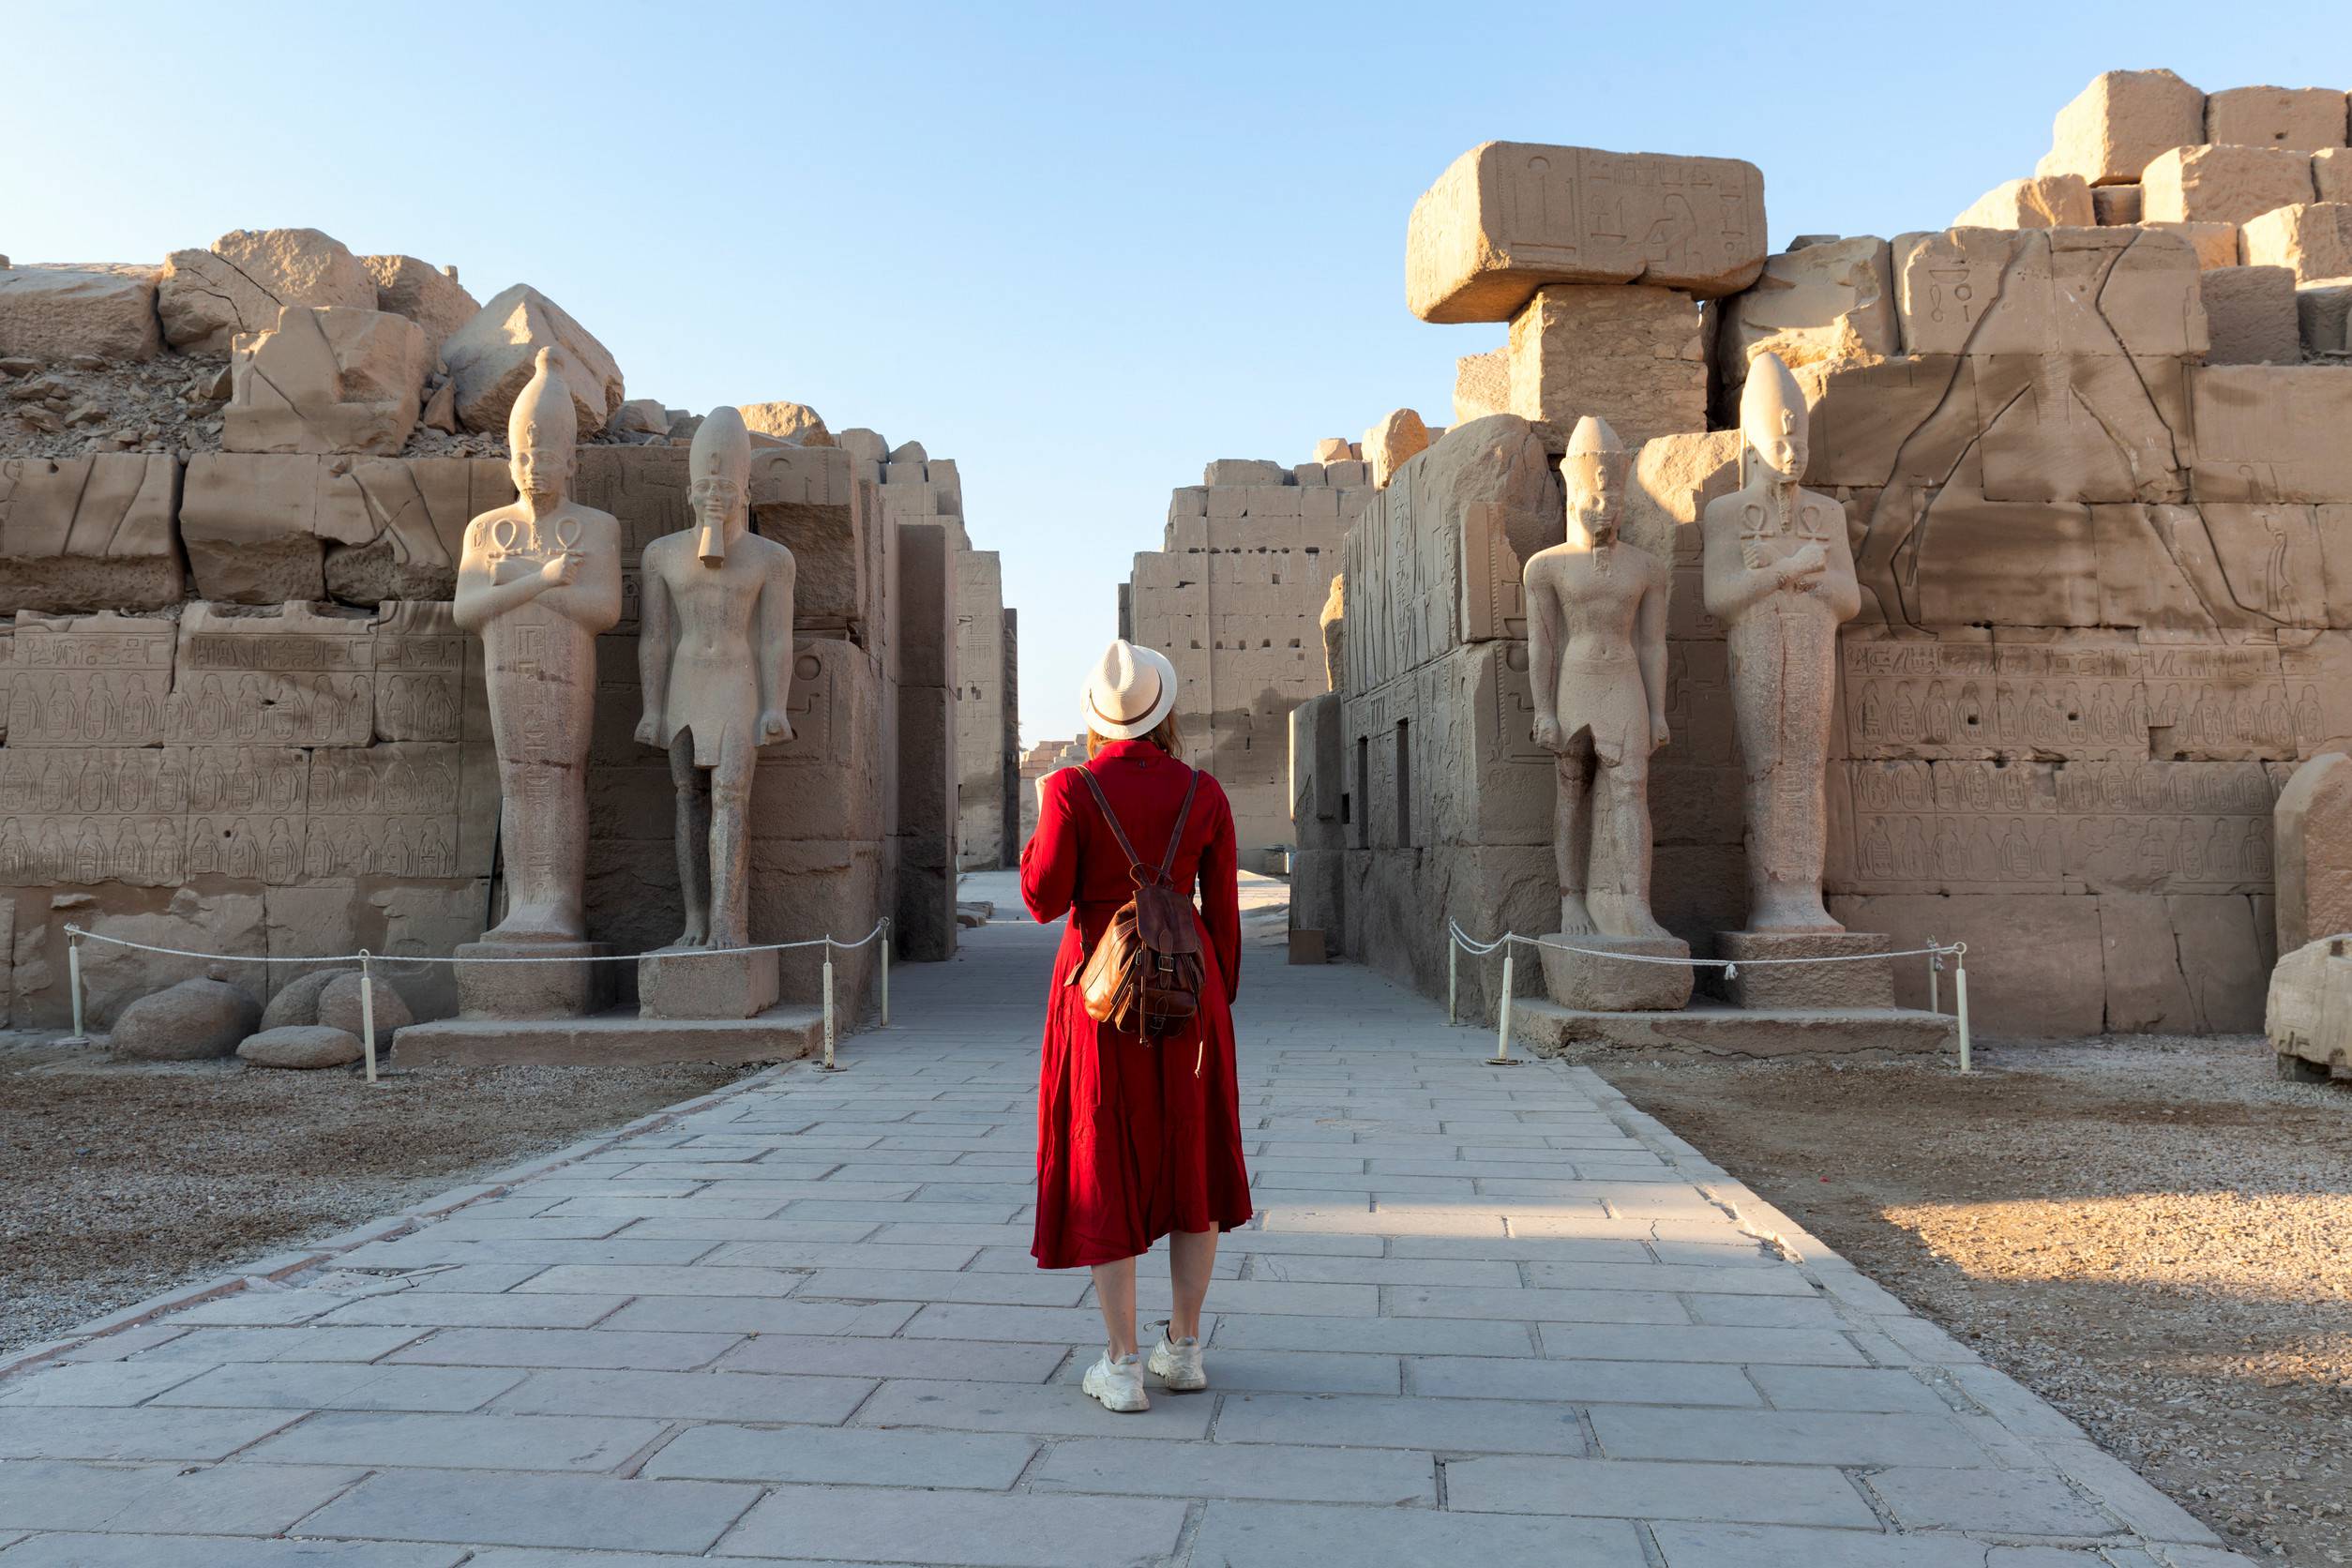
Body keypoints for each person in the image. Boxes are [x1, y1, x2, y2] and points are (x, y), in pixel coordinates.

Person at [1020, 640, 1252, 1412]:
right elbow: (1223, 916)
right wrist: (1214, 1002)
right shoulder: (1205, 791)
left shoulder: (1071, 789)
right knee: (1194, 1163)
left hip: (1098, 998)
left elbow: (1043, 898)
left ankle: (1120, 1364)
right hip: (1190, 999)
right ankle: (1182, 1348)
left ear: (1098, 717)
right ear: (1166, 713)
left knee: (1103, 1157)